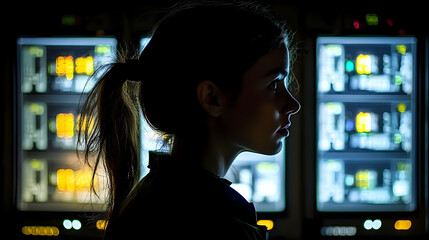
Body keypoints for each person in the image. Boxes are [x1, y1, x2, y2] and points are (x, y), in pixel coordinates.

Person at [78, 1, 300, 239]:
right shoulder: (214, 224)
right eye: (274, 84)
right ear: (212, 98)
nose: (293, 105)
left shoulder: (162, 195)